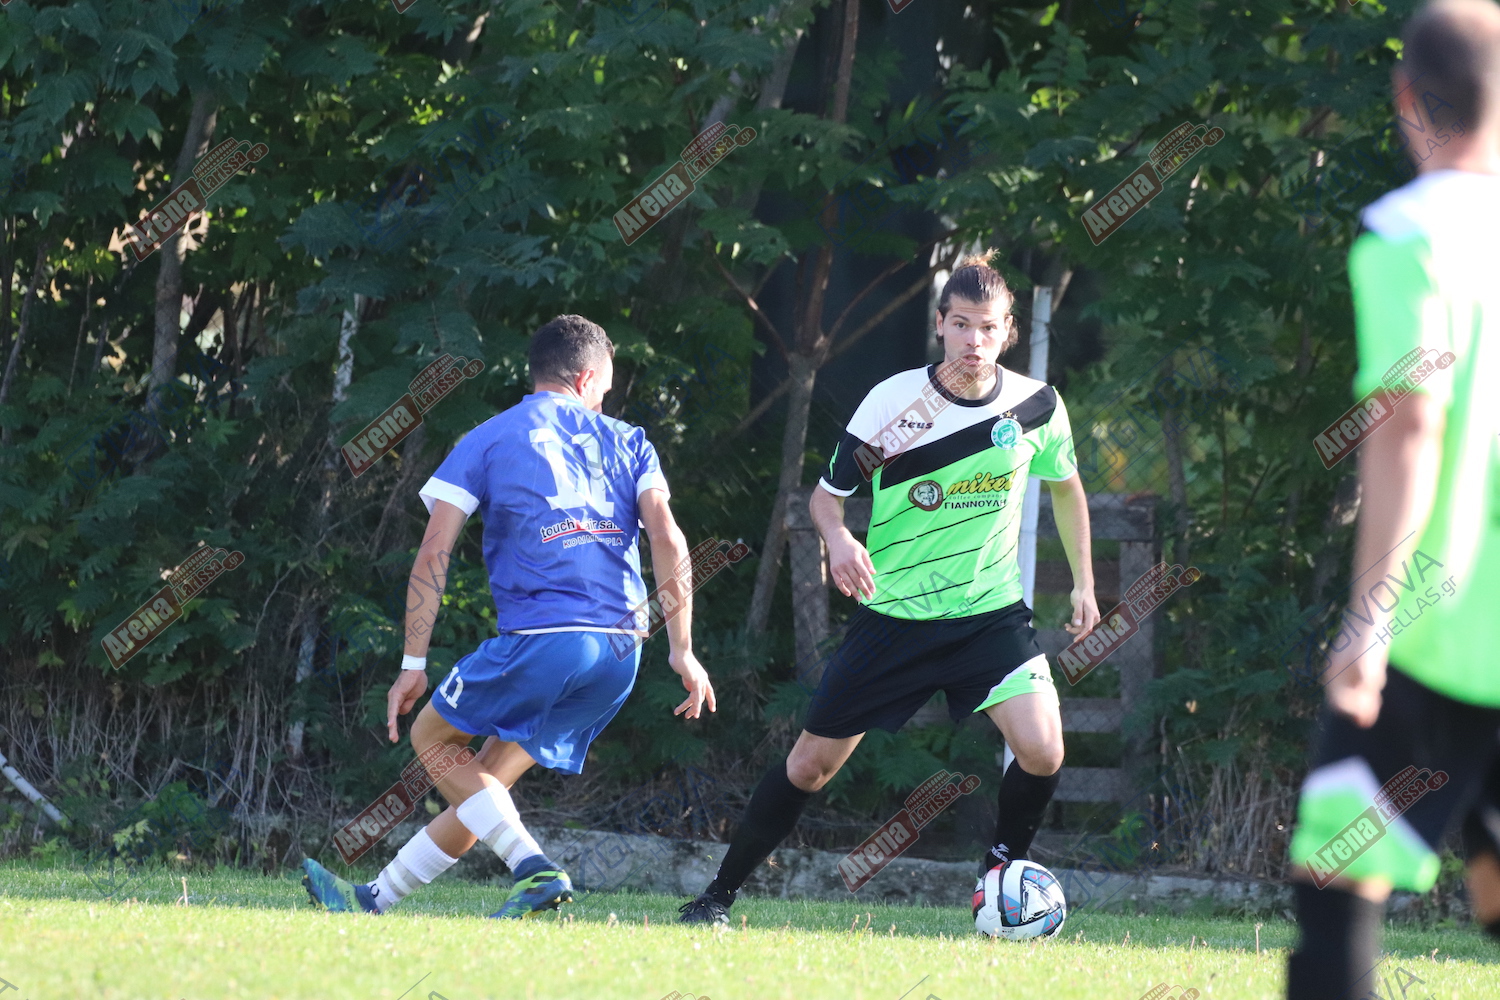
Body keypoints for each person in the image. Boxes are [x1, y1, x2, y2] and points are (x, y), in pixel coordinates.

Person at [678, 251, 1099, 924]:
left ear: (1008, 331)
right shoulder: (895, 404)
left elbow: (1068, 488)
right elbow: (827, 497)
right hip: (893, 619)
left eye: (988, 327)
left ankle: (1000, 875)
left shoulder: (1036, 406)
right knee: (810, 766)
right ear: (940, 324)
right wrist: (841, 540)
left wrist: (1084, 583)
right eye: (961, 325)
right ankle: (716, 899)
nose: (974, 341)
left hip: (987, 617)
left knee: (1044, 750)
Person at [301, 314, 715, 919]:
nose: (604, 401)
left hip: (548, 640)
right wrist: (682, 647)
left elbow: (433, 553)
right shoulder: (630, 440)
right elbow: (668, 539)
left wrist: (413, 662)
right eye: (604, 389)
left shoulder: (488, 437)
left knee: (431, 738)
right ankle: (374, 900)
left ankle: (533, 868)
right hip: (622, 652)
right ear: (585, 378)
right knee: (484, 783)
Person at [1284, 2, 1500, 996]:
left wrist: (1369, 618)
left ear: (1407, 97)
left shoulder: (1409, 236)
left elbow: (1412, 426)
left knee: (1339, 887)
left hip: (1437, 634)